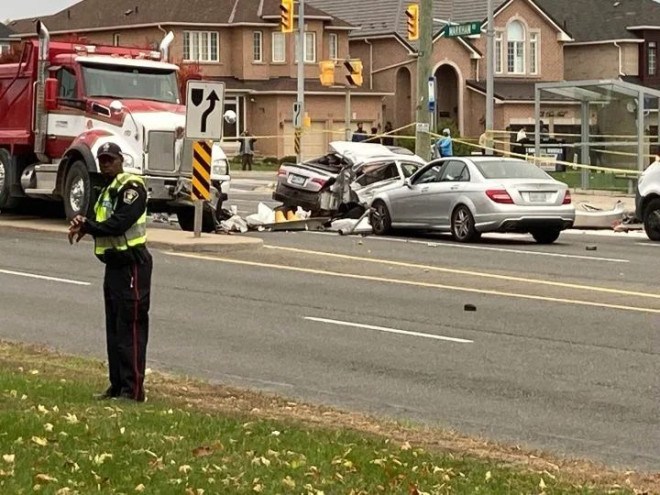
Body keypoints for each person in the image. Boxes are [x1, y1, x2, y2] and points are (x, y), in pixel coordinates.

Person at [68, 142, 152, 403]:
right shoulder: (106, 190)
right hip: (114, 266)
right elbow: (100, 222)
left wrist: (90, 227)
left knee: (130, 328)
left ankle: (133, 390)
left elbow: (119, 224)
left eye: (110, 159)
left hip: (132, 265)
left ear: (120, 160)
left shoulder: (131, 187)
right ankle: (117, 386)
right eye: (102, 160)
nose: (105, 164)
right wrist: (84, 224)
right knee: (114, 329)